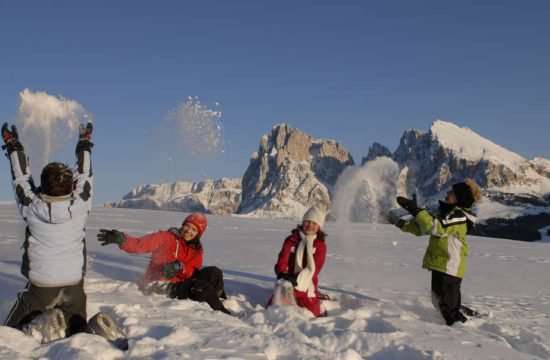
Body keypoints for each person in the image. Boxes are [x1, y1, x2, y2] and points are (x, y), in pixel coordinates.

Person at [2, 122, 94, 342]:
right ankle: (80, 338)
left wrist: (13, 146)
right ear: (72, 187)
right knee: (79, 331)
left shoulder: (31, 206)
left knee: (9, 334)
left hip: (41, 288)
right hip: (74, 284)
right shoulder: (82, 203)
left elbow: (21, 178)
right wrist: (84, 143)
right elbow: (85, 173)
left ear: (41, 186)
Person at [97, 213, 230, 314]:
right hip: (159, 285)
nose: (189, 231)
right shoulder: (166, 237)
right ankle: (222, 312)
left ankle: (217, 297)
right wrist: (122, 240)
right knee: (202, 287)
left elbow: (193, 270)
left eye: (194, 230)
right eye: (187, 226)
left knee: (214, 272)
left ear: (198, 234)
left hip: (181, 282)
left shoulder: (196, 249)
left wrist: (180, 267)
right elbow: (139, 245)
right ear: (183, 224)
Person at [390, 179, 481, 326]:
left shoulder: (459, 216)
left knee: (449, 314)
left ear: (459, 198)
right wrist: (400, 223)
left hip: (450, 266)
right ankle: (458, 308)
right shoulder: (447, 213)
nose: (447, 193)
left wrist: (415, 210)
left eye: (451, 192)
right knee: (437, 301)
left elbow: (435, 227)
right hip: (440, 263)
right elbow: (423, 228)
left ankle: (466, 328)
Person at [268, 206, 328, 317]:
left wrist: (297, 279)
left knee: (312, 314)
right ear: (302, 222)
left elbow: (315, 268)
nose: (310, 225)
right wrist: (282, 273)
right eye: (308, 221)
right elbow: (282, 259)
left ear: (319, 227)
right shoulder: (291, 240)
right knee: (273, 309)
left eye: (314, 223)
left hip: (306, 283)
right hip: (286, 281)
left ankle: (317, 300)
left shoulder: (320, 246)